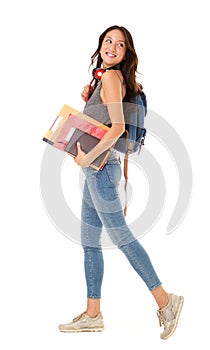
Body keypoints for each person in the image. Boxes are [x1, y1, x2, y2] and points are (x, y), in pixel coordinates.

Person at [58, 25, 183, 340]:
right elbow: (113, 129)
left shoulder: (112, 78)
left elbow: (115, 130)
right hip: (98, 171)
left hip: (99, 169)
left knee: (123, 239)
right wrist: (90, 99)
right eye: (108, 41)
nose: (112, 47)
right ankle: (92, 314)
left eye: (121, 44)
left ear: (127, 53)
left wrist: (88, 160)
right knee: (90, 242)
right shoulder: (107, 80)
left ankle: (167, 302)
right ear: (100, 44)